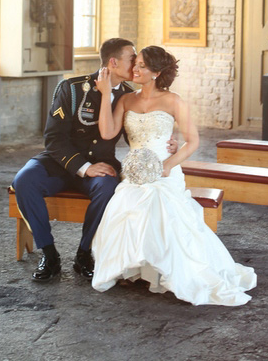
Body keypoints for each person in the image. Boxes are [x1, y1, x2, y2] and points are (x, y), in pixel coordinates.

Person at [92, 45, 257, 306]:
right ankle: (136, 269)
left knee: (159, 207)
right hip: (135, 172)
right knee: (126, 207)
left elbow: (192, 141)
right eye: (136, 63)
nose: (135, 68)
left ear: (156, 72)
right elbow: (107, 133)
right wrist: (104, 95)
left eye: (142, 65)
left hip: (165, 171)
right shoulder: (125, 100)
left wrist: (168, 164)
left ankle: (163, 270)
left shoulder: (173, 101)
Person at [11, 38, 177, 283]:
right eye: (132, 59)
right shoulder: (73, 88)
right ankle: (49, 253)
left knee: (109, 188)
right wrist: (84, 168)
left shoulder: (130, 96)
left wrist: (167, 144)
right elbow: (54, 138)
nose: (136, 65)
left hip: (102, 163)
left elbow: (141, 134)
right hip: (60, 162)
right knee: (23, 181)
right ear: (113, 62)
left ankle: (84, 254)